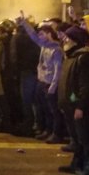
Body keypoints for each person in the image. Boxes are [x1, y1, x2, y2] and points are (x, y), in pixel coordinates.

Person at [56, 24, 89, 175]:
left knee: (85, 139)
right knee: (77, 138)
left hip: (78, 107)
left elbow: (86, 85)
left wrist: (80, 106)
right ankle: (77, 164)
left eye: (68, 37)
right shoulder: (71, 56)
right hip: (69, 106)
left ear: (76, 40)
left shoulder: (83, 58)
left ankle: (88, 169)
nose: (64, 40)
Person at [17, 12, 64, 143]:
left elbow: (57, 69)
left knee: (53, 111)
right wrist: (24, 23)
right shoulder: (44, 46)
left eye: (42, 34)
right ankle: (47, 130)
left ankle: (56, 133)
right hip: (42, 82)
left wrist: (53, 86)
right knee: (44, 109)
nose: (39, 36)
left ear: (49, 34)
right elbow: (33, 36)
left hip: (49, 84)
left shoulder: (56, 50)